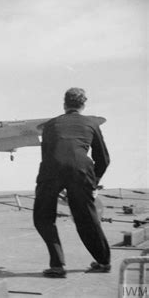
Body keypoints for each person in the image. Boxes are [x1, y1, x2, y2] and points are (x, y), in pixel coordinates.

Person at [33, 87, 111, 278]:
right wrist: (93, 183)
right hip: (81, 170)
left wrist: (52, 182)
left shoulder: (50, 125)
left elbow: (47, 154)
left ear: (64, 104)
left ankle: (57, 265)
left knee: (43, 217)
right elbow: (103, 159)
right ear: (83, 105)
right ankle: (103, 261)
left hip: (51, 169)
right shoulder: (91, 123)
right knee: (86, 218)